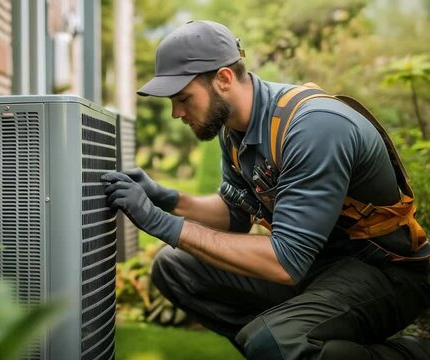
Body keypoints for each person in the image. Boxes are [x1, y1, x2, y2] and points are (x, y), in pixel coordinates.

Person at [101, 20, 430, 359]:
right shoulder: (234, 131)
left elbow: (286, 261)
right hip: (320, 264)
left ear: (224, 79)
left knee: (272, 341)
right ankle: (280, 342)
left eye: (184, 98)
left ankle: (406, 354)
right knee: (175, 268)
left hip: (384, 271)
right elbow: (235, 215)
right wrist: (168, 198)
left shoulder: (314, 127)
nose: (176, 113)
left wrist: (159, 223)